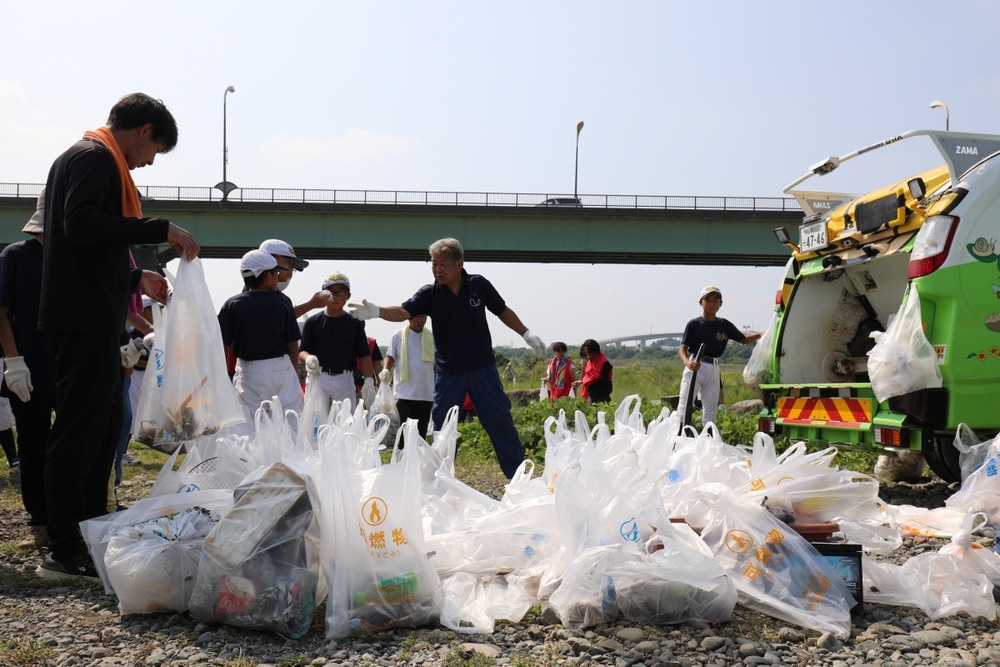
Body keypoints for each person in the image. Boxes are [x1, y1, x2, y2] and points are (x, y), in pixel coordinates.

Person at [38, 93, 200, 580]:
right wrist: (158, 226)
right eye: (154, 151)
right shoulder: (94, 159)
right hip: (82, 317)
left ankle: (90, 531)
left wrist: (134, 278)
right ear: (145, 130)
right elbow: (81, 225)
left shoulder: (91, 158)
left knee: (104, 427)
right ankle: (64, 546)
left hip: (93, 315)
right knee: (76, 431)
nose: (148, 163)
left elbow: (83, 248)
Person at [348, 237, 546, 479]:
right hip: (449, 373)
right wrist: (378, 312)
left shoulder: (478, 285)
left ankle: (518, 477)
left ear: (459, 263)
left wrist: (525, 332)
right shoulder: (430, 293)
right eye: (433, 264)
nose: (437, 270)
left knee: (499, 421)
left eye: (442, 264)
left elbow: (502, 310)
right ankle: (440, 480)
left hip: (482, 369)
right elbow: (403, 311)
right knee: (442, 428)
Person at [0, 188, 55, 551]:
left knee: (70, 445)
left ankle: (72, 512)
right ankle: (41, 519)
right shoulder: (16, 256)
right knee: (34, 445)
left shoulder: (72, 258)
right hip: (29, 368)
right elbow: (1, 311)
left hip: (69, 366)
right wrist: (13, 360)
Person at [219, 250, 303, 422]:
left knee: (251, 425)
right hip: (281, 368)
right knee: (290, 422)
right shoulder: (283, 302)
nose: (277, 275)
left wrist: (221, 378)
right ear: (267, 276)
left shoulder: (232, 304)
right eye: (275, 272)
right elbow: (292, 343)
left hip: (249, 372)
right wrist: (293, 373)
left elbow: (224, 346)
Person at [678, 285, 761, 427]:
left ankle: (707, 441)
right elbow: (682, 348)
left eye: (716, 300)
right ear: (700, 302)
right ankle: (678, 438)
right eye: (708, 300)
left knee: (710, 410)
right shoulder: (694, 324)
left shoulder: (724, 325)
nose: (711, 304)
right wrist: (687, 362)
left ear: (721, 304)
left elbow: (743, 339)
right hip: (696, 366)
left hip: (714, 368)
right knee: (685, 406)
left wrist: (760, 334)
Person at [299, 272, 375, 411]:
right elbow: (303, 350)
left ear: (348, 295)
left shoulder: (355, 323)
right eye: (330, 292)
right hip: (318, 376)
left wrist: (369, 381)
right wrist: (308, 358)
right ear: (323, 294)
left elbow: (364, 354)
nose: (335, 296)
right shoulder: (313, 322)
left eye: (340, 291)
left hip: (345, 379)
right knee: (314, 422)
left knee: (346, 424)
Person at [382, 315, 435, 438]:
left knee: (420, 434)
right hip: (403, 394)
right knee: (403, 433)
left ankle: (417, 456)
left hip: (425, 395)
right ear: (409, 318)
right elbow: (390, 357)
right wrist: (385, 369)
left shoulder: (431, 337)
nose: (420, 321)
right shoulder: (398, 336)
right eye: (417, 317)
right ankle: (401, 455)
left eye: (423, 317)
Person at [575, 339, 613, 403]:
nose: (587, 355)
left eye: (588, 352)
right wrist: (581, 381)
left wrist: (584, 381)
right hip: (591, 396)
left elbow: (599, 380)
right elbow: (588, 376)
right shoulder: (590, 361)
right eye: (586, 352)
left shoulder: (604, 363)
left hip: (602, 398)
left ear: (594, 351)